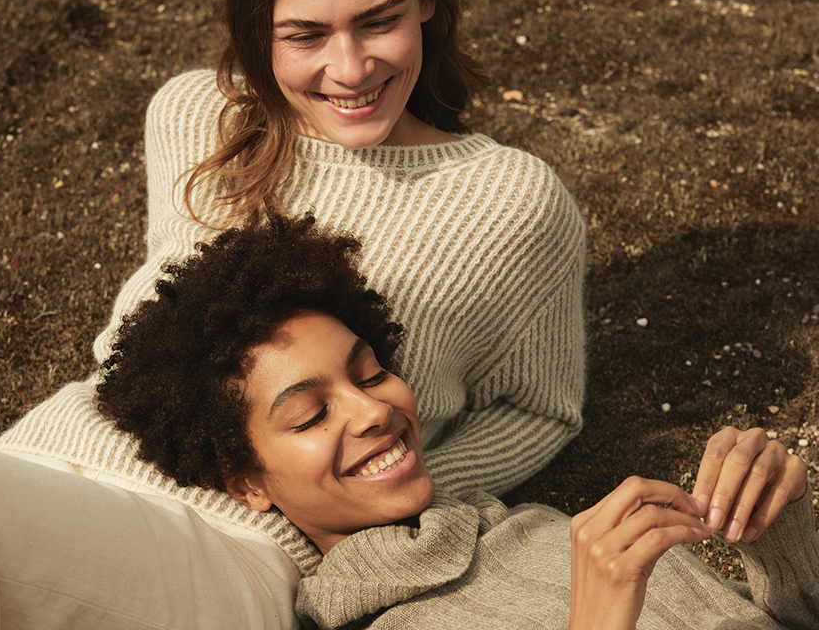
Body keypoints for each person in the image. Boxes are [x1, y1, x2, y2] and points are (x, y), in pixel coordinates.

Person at [0, 0, 586, 503]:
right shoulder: (196, 114)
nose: (350, 69)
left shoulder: (509, 199)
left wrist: (382, 496)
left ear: (427, 2)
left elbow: (539, 411)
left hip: (221, 542)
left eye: (380, 21)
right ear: (259, 35)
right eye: (305, 36)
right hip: (49, 451)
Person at [95, 213, 818, 630]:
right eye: (312, 414)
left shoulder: (535, 526)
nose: (375, 408)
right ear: (248, 479)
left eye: (371, 371)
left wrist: (780, 531)